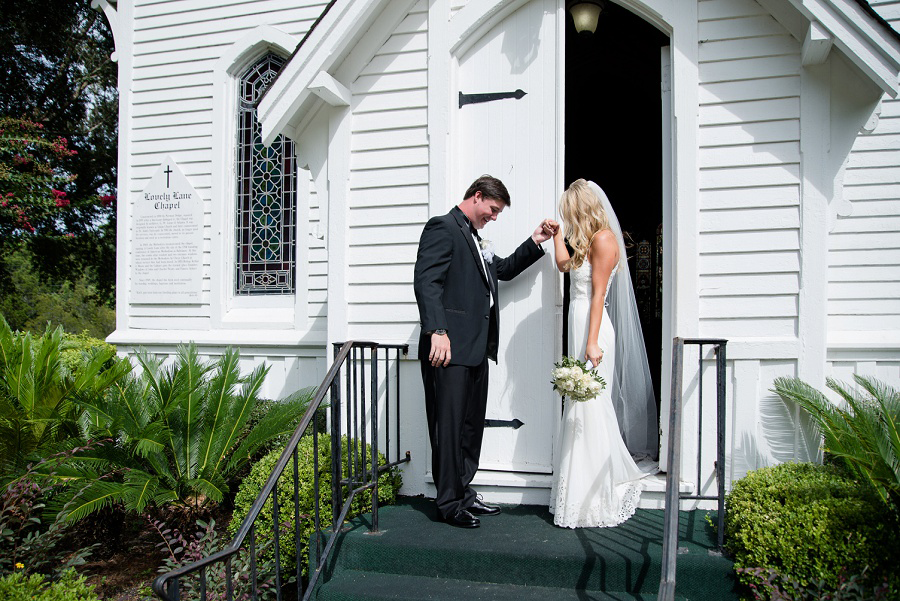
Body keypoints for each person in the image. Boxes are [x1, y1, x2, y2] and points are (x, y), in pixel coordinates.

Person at [414, 175, 558, 528]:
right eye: (492, 210)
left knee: (469, 427)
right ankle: (448, 504)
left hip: (477, 349)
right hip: (446, 349)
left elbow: (503, 270)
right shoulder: (443, 227)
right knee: (447, 428)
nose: (493, 217)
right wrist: (438, 330)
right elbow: (426, 281)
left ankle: (463, 493)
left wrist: (536, 241)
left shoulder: (477, 239)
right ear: (477, 197)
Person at [549, 179, 658, 528]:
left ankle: (595, 496)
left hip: (592, 328)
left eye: (568, 213)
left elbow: (598, 295)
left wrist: (592, 341)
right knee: (579, 406)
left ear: (580, 208)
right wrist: (555, 236)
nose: (566, 218)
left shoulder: (605, 239)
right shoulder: (585, 242)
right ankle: (576, 491)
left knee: (591, 406)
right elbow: (565, 265)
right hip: (579, 321)